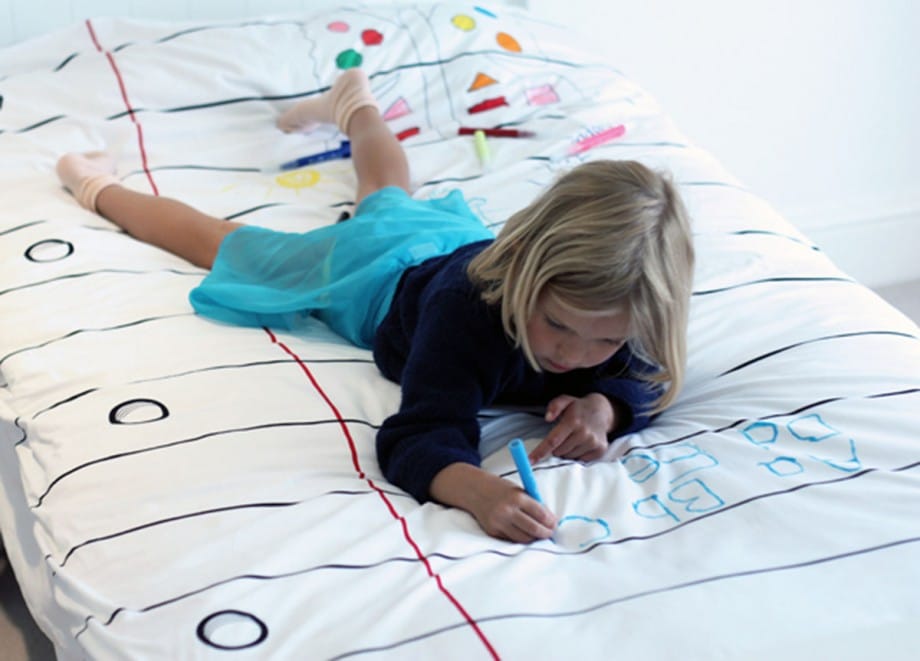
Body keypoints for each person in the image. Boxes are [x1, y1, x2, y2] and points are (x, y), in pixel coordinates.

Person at [55, 69, 695, 543]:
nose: (572, 355)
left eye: (604, 342)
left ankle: (353, 103)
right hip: (374, 276)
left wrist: (604, 407)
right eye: (556, 325)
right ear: (526, 265)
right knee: (230, 246)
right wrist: (477, 490)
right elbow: (417, 435)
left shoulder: (623, 298)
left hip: (447, 240)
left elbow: (648, 378)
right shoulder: (466, 318)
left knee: (388, 192)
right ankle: (94, 184)